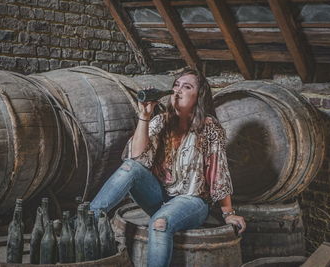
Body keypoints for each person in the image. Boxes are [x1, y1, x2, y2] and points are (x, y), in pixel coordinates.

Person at [90, 68, 246, 267]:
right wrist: (144, 116)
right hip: (159, 197)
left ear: (199, 97)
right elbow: (137, 157)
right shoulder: (160, 121)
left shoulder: (209, 128)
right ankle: (87, 219)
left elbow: (218, 172)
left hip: (192, 201)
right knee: (130, 168)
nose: (178, 90)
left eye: (187, 87)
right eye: (176, 85)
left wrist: (229, 213)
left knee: (159, 224)